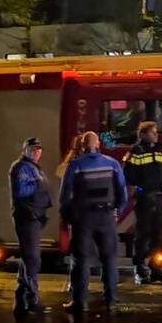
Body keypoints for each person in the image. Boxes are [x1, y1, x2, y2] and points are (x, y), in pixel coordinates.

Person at [59, 131, 127, 312]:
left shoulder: (75, 165)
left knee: (81, 260)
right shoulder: (112, 164)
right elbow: (122, 190)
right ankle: (111, 300)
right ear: (98, 144)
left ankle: (80, 302)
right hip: (106, 217)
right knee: (109, 259)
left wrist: (67, 217)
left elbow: (65, 195)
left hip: (84, 218)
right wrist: (117, 211)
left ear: (82, 146)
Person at [9, 137, 52, 318]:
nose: (36, 152)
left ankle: (24, 300)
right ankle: (30, 300)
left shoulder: (33, 167)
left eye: (38, 149)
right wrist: (37, 185)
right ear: (25, 150)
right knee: (32, 259)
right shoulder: (21, 168)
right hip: (27, 218)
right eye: (33, 149)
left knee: (29, 259)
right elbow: (21, 191)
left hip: (34, 218)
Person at [123, 121, 162, 284]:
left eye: (156, 132)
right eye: (153, 132)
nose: (156, 135)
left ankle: (155, 267)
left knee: (157, 235)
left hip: (158, 197)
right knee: (143, 235)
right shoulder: (135, 152)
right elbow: (128, 175)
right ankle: (140, 269)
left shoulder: (158, 151)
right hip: (145, 198)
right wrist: (141, 190)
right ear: (142, 134)